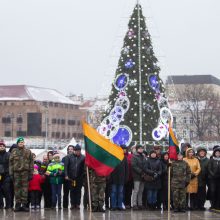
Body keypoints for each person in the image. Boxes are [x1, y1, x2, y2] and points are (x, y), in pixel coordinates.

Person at [9, 137, 34, 212]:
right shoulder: (13, 151)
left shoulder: (28, 151)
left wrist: (31, 173)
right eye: (20, 142)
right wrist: (11, 173)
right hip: (16, 173)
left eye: (22, 142)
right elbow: (10, 163)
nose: (21, 143)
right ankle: (17, 205)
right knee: (17, 189)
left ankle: (24, 205)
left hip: (25, 173)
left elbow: (31, 163)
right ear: (17, 143)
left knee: (25, 189)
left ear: (24, 143)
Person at [64, 144, 85, 209]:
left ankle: (78, 204)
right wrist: (66, 175)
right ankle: (72, 204)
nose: (78, 152)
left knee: (78, 191)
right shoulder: (69, 157)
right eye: (77, 151)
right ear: (74, 151)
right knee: (72, 191)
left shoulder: (83, 157)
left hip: (79, 177)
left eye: (79, 151)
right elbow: (66, 167)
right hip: (71, 177)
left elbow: (84, 168)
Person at [109, 146, 128, 211]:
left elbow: (126, 169)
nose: (123, 150)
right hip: (114, 178)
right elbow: (110, 168)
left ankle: (120, 205)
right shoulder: (113, 157)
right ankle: (113, 206)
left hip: (121, 178)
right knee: (113, 192)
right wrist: (110, 178)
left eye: (124, 149)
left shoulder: (124, 158)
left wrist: (126, 178)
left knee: (120, 192)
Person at [131, 145, 146, 210]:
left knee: (141, 191)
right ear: (137, 149)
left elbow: (145, 165)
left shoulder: (143, 156)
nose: (141, 149)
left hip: (143, 176)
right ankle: (134, 204)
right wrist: (141, 172)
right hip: (137, 176)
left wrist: (145, 172)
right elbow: (134, 166)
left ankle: (140, 204)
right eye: (139, 148)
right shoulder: (134, 156)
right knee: (136, 191)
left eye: (142, 148)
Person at [0, 141, 12, 210]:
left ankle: (8, 206)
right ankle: (1, 205)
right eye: (0, 146)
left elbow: (11, 165)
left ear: (5, 147)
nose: (2, 147)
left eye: (3, 146)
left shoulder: (8, 154)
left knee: (7, 191)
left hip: (7, 175)